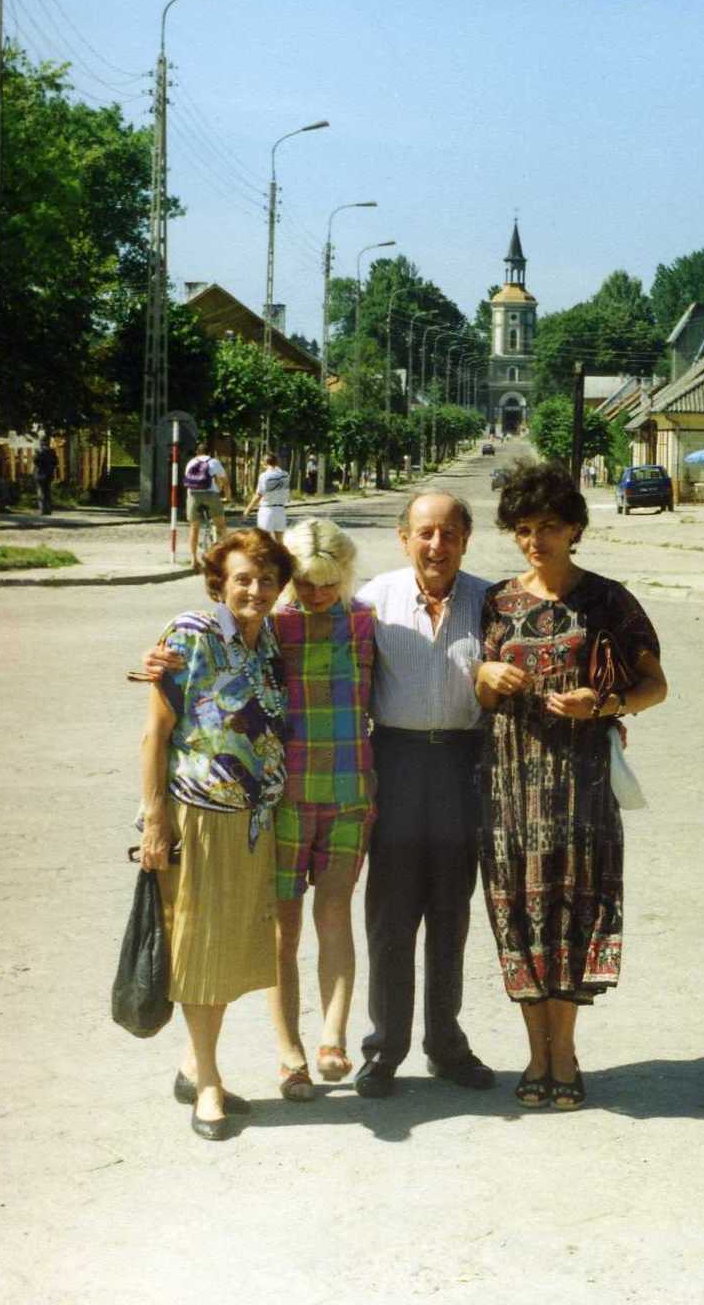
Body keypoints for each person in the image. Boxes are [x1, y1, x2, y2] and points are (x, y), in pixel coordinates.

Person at [475, 461, 667, 1110]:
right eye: (524, 529)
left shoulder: (608, 600)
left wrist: (604, 703)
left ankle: (566, 1050)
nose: (536, 541)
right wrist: (487, 679)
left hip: (581, 788)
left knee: (570, 913)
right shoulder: (497, 601)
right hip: (507, 788)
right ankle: (536, 1055)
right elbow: (473, 680)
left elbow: (655, 685)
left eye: (550, 527)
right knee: (521, 918)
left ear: (576, 528)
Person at [138, 529, 292, 1141]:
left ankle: (193, 1063)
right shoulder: (191, 635)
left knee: (225, 953)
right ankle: (207, 1087)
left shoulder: (269, 641)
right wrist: (153, 820)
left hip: (252, 822)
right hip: (198, 816)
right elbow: (156, 734)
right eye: (243, 579)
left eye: (266, 578)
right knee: (200, 950)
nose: (256, 589)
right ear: (220, 584)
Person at [353, 490, 494, 1098]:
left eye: (450, 534)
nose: (437, 546)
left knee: (450, 914)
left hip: (463, 765)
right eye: (425, 533)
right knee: (390, 915)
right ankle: (384, 1048)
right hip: (396, 762)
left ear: (466, 538)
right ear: (402, 536)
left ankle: (446, 1044)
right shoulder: (371, 601)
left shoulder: (493, 602)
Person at [269, 519, 376, 1097]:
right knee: (282, 933)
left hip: (348, 794)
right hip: (283, 800)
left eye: (327, 583)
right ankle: (289, 1053)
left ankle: (332, 1036)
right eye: (305, 583)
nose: (316, 595)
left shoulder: (363, 621)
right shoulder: (271, 625)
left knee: (335, 915)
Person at [183, 442, 230, 571]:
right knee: (221, 525)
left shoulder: (190, 463)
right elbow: (225, 481)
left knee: (194, 527)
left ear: (197, 453)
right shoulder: (214, 462)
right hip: (211, 495)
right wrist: (228, 497)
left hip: (193, 495)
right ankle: (225, 557)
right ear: (210, 452)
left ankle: (193, 560)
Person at [245, 452, 290, 543]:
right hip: (281, 510)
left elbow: (258, 495)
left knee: (263, 541)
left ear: (263, 463)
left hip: (267, 510)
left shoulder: (264, 476)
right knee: (280, 542)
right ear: (276, 462)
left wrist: (248, 509)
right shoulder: (285, 475)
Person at [33, 437, 59, 516]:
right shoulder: (52, 451)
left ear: (41, 443)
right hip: (49, 474)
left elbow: (35, 461)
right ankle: (48, 510)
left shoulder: (38, 451)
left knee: (41, 491)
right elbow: (56, 462)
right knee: (48, 492)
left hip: (40, 474)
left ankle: (42, 510)